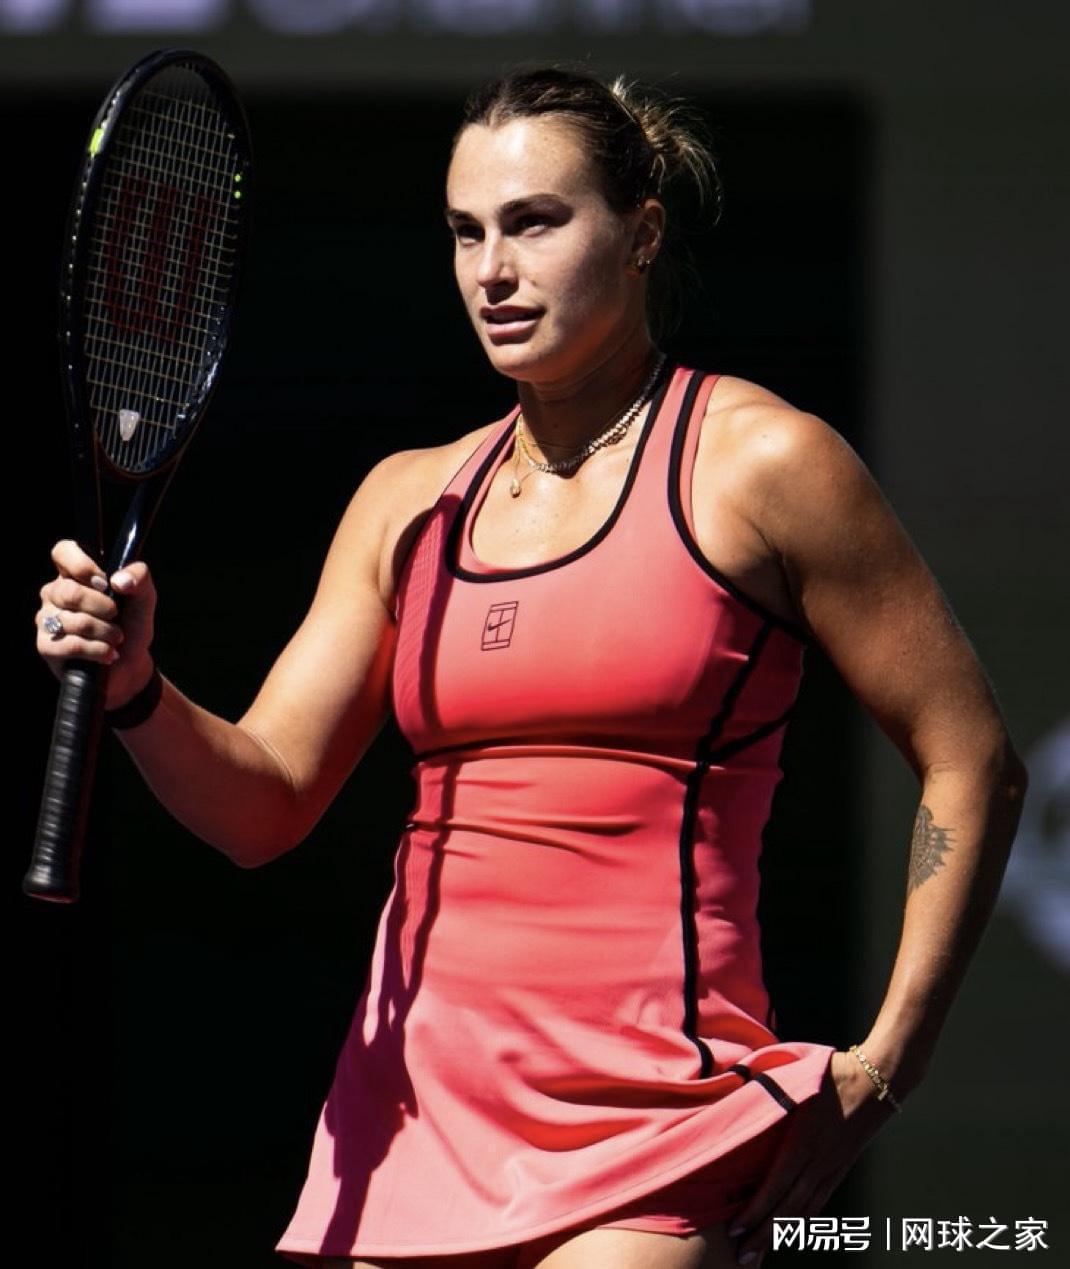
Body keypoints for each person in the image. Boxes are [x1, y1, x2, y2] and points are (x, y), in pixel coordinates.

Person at [34, 65, 1028, 1269]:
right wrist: (138, 688)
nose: (491, 271)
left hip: (658, 1123)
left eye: (534, 223)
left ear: (641, 233)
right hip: (405, 1126)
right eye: (466, 233)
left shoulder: (763, 463)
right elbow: (264, 805)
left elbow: (971, 759)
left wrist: (883, 1067)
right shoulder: (405, 500)